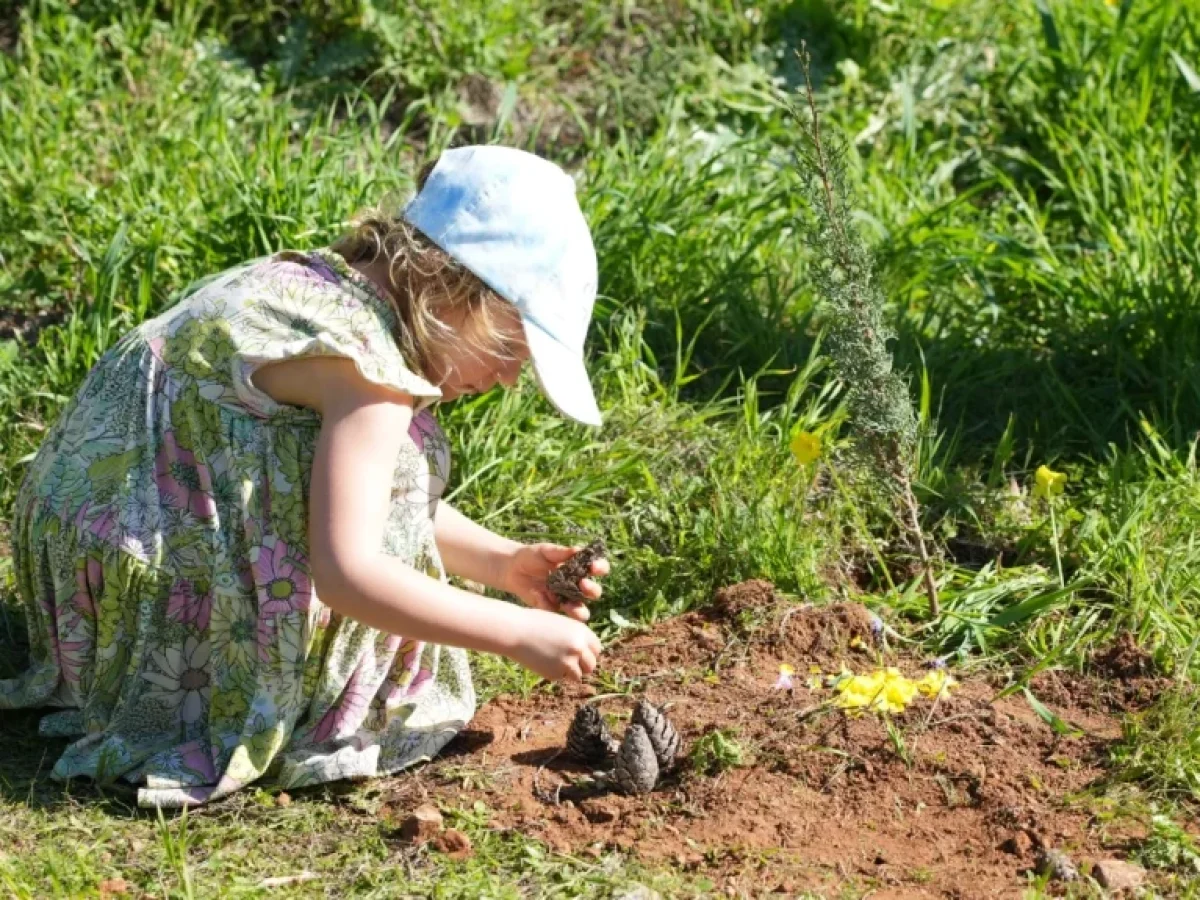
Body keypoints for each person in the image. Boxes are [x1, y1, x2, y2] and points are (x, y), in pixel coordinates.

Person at [0, 145, 609, 808]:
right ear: (463, 290)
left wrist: (505, 563)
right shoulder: (369, 376)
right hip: (145, 593)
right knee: (391, 478)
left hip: (87, 550)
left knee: (398, 454)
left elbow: (354, 495)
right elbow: (348, 574)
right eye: (513, 347)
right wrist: (516, 632)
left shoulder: (319, 288)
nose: (509, 378)